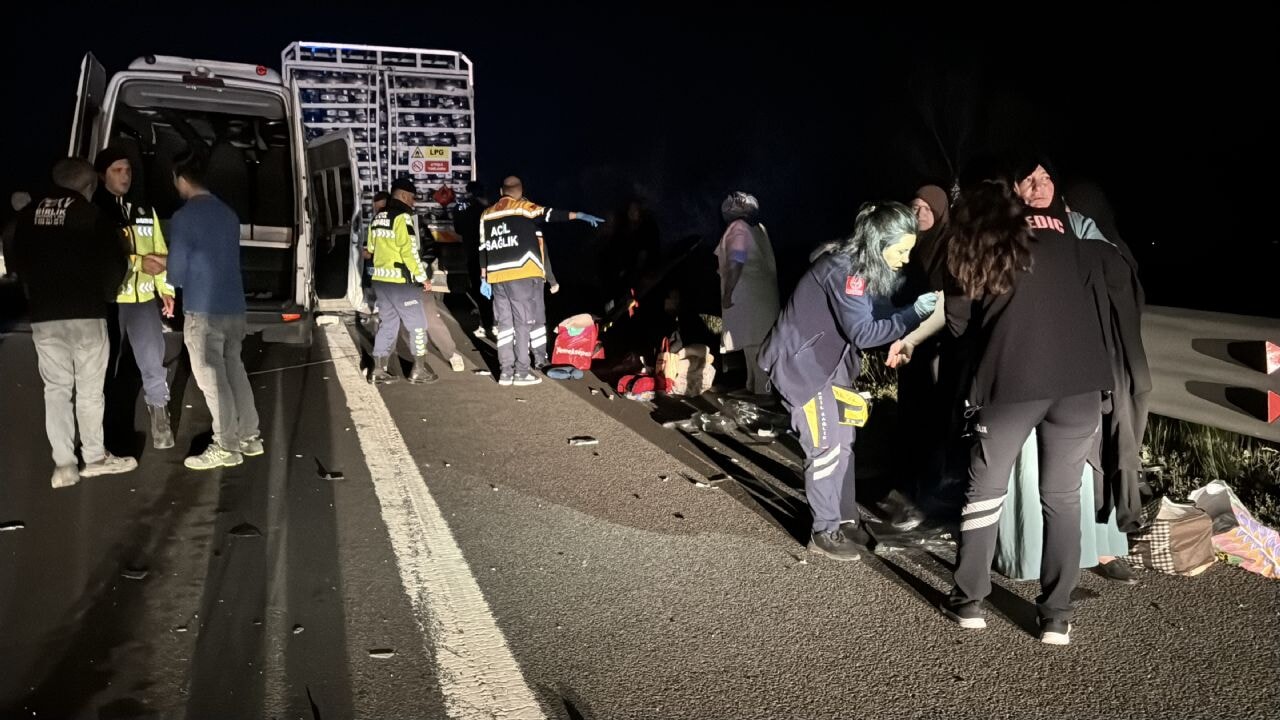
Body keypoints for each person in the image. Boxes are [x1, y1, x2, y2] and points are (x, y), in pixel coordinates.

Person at [940, 177, 1113, 646]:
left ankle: (970, 601)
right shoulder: (1064, 235)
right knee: (1062, 497)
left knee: (986, 491)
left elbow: (957, 324)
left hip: (1011, 381)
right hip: (1079, 381)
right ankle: (1056, 616)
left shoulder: (975, 242)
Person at [759, 202, 937, 561]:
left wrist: (907, 322)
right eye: (900, 250)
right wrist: (913, 313)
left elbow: (881, 313)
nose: (904, 260)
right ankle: (824, 530)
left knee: (845, 441)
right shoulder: (847, 273)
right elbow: (864, 331)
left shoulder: (866, 268)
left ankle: (844, 518)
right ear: (877, 242)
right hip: (803, 369)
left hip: (830, 368)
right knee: (826, 447)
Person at [9, 158, 136, 487]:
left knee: (56, 390)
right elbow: (114, 263)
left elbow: (16, 255)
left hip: (45, 316)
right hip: (86, 312)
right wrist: (107, 293)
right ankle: (93, 457)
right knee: (91, 393)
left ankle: (64, 466)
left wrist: (32, 289)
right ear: (89, 186)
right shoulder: (92, 215)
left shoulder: (30, 214)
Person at [167, 151, 263, 471]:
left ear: (182, 181)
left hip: (203, 310)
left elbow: (177, 274)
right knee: (234, 371)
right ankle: (250, 437)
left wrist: (162, 266)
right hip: (234, 307)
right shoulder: (228, 214)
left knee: (212, 379)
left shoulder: (184, 217)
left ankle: (226, 446)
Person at [479, 175, 602, 386]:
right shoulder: (524, 208)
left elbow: (483, 247)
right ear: (520, 191)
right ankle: (522, 372)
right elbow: (550, 214)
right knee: (524, 323)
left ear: (501, 192)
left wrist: (484, 277)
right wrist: (578, 215)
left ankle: (505, 372)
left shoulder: (486, 214)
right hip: (522, 274)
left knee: (505, 325)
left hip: (497, 277)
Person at [94, 145, 176, 449]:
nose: (124, 176)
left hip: (141, 299)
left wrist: (165, 290)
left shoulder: (143, 210)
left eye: (128, 170)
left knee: (152, 360)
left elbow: (160, 251)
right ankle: (103, 428)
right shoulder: (97, 211)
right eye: (117, 170)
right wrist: (139, 263)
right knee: (105, 365)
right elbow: (101, 257)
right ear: (102, 175)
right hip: (110, 299)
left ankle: (160, 421)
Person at [369, 189, 466, 372]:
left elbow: (426, 248)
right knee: (392, 324)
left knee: (428, 318)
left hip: (414, 279)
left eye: (382, 209)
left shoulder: (411, 220)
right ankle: (383, 367)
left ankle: (450, 353)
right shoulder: (382, 221)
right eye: (377, 211)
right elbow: (373, 252)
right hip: (396, 281)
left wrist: (421, 273)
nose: (381, 214)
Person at [366, 177, 438, 385]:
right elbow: (410, 252)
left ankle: (378, 370)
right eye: (413, 198)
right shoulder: (403, 218)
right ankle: (418, 370)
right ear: (405, 196)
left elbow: (370, 249)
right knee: (417, 325)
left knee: (388, 323)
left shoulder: (378, 218)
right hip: (400, 282)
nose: (413, 203)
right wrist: (423, 278)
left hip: (380, 280)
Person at [716, 192, 779, 396]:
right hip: (763, 298)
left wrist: (728, 292)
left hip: (748, 298)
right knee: (753, 345)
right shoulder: (758, 231)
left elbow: (736, 261)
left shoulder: (738, 229)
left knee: (755, 347)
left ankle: (762, 396)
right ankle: (752, 386)